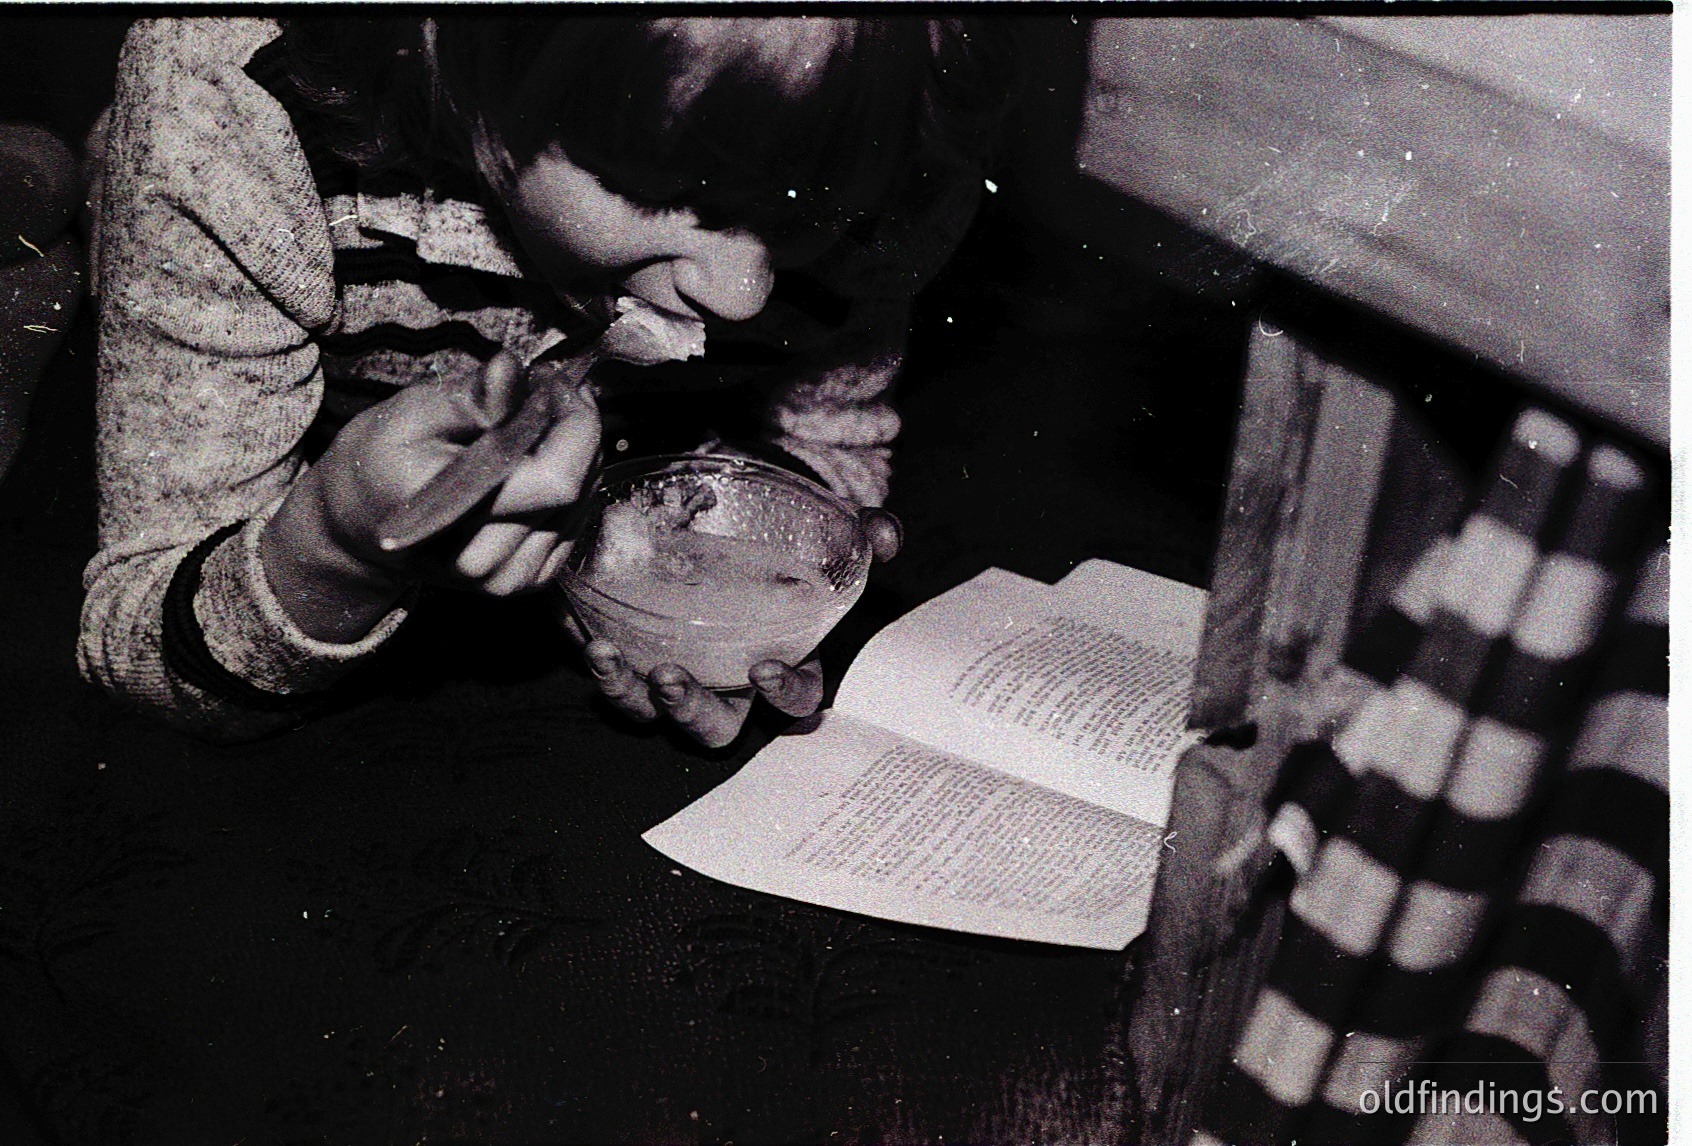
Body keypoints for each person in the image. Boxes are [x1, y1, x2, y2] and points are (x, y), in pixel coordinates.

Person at [79, 16, 1010, 743]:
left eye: (821, 210)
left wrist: (725, 587)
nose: (742, 296)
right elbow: (139, 647)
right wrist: (336, 546)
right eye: (672, 192)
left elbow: (824, 451)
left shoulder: (894, 130)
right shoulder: (226, 108)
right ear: (462, 49)